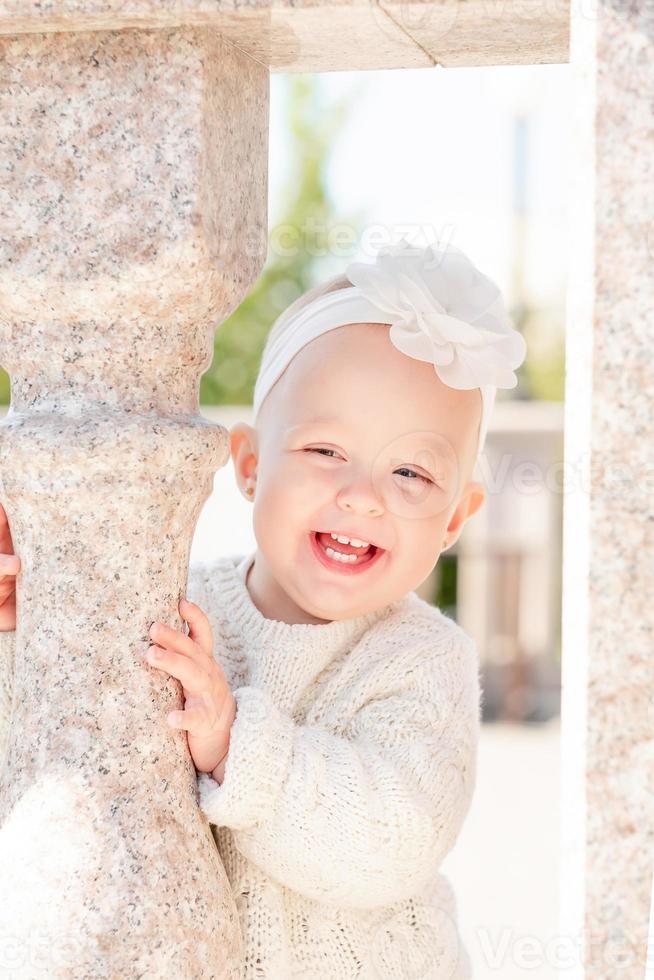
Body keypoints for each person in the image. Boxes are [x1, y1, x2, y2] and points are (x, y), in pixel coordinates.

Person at [0, 237, 527, 979]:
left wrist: (237, 745)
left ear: (453, 519)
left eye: (410, 471)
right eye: (325, 451)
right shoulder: (175, 605)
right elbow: (64, 758)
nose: (362, 496)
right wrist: (37, 627)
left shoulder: (422, 659)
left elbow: (392, 842)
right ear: (249, 465)